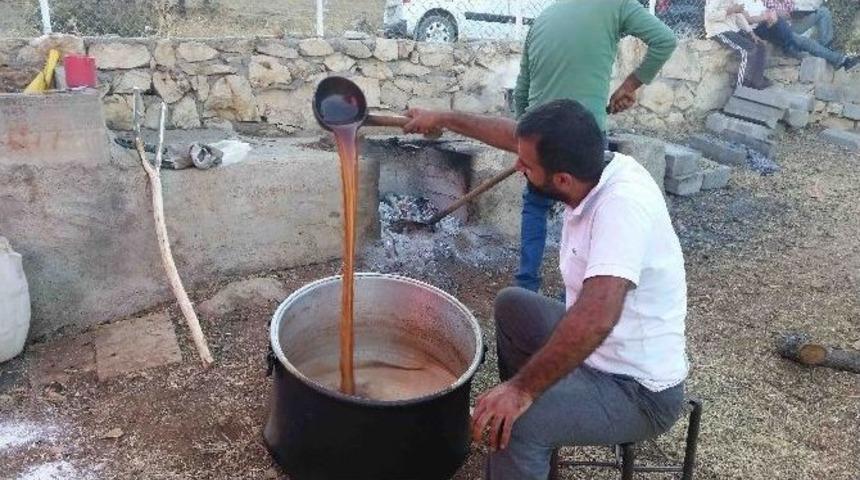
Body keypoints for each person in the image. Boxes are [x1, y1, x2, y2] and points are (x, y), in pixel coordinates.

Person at [402, 99, 688, 480]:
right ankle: (538, 419)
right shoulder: (590, 165)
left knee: (519, 425)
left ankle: (524, 425)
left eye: (528, 167)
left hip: (635, 389)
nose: (518, 166)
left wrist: (521, 391)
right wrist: (444, 117)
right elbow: (516, 139)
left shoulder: (622, 207)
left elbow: (596, 319)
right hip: (598, 354)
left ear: (562, 180)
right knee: (513, 305)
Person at [511, 0, 677, 293]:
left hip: (539, 133)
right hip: (583, 133)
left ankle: (525, 286)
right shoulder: (617, 5)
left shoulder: (544, 17)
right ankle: (572, 294)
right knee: (587, 212)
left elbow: (522, 89)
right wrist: (630, 85)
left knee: (536, 205)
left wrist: (525, 144)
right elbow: (665, 40)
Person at [760, 0, 860, 70]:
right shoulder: (767, 1)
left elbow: (792, 13)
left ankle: (826, 46)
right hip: (778, 32)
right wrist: (778, 14)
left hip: (792, 25)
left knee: (823, 12)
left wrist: (801, 14)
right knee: (805, 41)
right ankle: (843, 61)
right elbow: (766, 18)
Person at [706, 0, 772, 89]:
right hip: (719, 30)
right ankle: (742, 85)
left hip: (733, 29)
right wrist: (731, 10)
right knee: (748, 50)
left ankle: (757, 81)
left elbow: (739, 16)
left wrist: (752, 34)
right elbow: (710, 16)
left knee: (760, 46)